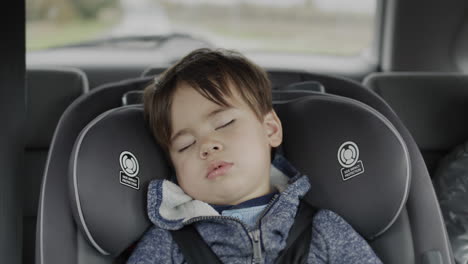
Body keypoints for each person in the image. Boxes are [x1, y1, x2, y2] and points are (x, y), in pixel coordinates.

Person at [126, 48, 382, 264]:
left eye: (224, 123)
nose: (206, 145)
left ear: (269, 129)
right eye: (186, 144)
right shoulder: (169, 243)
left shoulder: (323, 230)